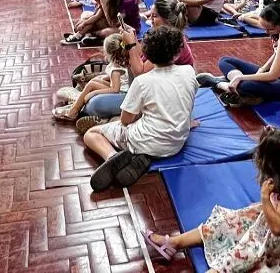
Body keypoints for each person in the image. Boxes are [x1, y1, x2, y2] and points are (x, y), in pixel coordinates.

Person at [142, 128, 280, 272]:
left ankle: (217, 270)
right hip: (267, 219)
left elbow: (278, 228)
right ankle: (174, 242)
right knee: (226, 222)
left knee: (245, 253)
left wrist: (265, 197)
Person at [84, 26, 198, 191]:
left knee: (91, 133)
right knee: (144, 126)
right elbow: (188, 102)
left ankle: (113, 157)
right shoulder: (188, 71)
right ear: (177, 53)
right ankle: (142, 157)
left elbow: (125, 120)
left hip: (146, 140)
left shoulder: (142, 81)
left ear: (147, 55)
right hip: (177, 144)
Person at [76, 0, 196, 134]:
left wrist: (131, 45)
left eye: (154, 16)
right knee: (94, 95)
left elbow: (140, 72)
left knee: (93, 106)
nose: (150, 18)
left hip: (160, 99)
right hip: (151, 92)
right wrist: (132, 38)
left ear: (167, 20)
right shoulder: (163, 35)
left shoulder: (170, 43)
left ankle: (111, 121)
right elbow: (142, 57)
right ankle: (110, 119)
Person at [199, 4, 280, 106]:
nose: (267, 32)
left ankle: (219, 84)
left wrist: (241, 78)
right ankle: (239, 87)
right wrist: (261, 70)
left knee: (244, 85)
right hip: (275, 76)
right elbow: (276, 54)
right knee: (224, 60)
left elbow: (273, 76)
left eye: (270, 29)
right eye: (265, 28)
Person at [53, 33, 130, 121]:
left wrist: (94, 92)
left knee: (91, 85)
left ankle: (73, 111)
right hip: (120, 88)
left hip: (121, 92)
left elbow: (115, 89)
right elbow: (119, 80)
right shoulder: (120, 64)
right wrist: (101, 79)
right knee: (95, 81)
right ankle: (78, 102)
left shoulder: (115, 70)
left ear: (109, 53)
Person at [64, 0, 140, 47]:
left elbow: (114, 24)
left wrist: (104, 7)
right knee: (86, 20)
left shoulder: (127, 1)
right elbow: (97, 16)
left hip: (126, 27)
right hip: (110, 21)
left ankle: (89, 34)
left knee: (105, 32)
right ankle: (85, 35)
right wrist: (84, 23)